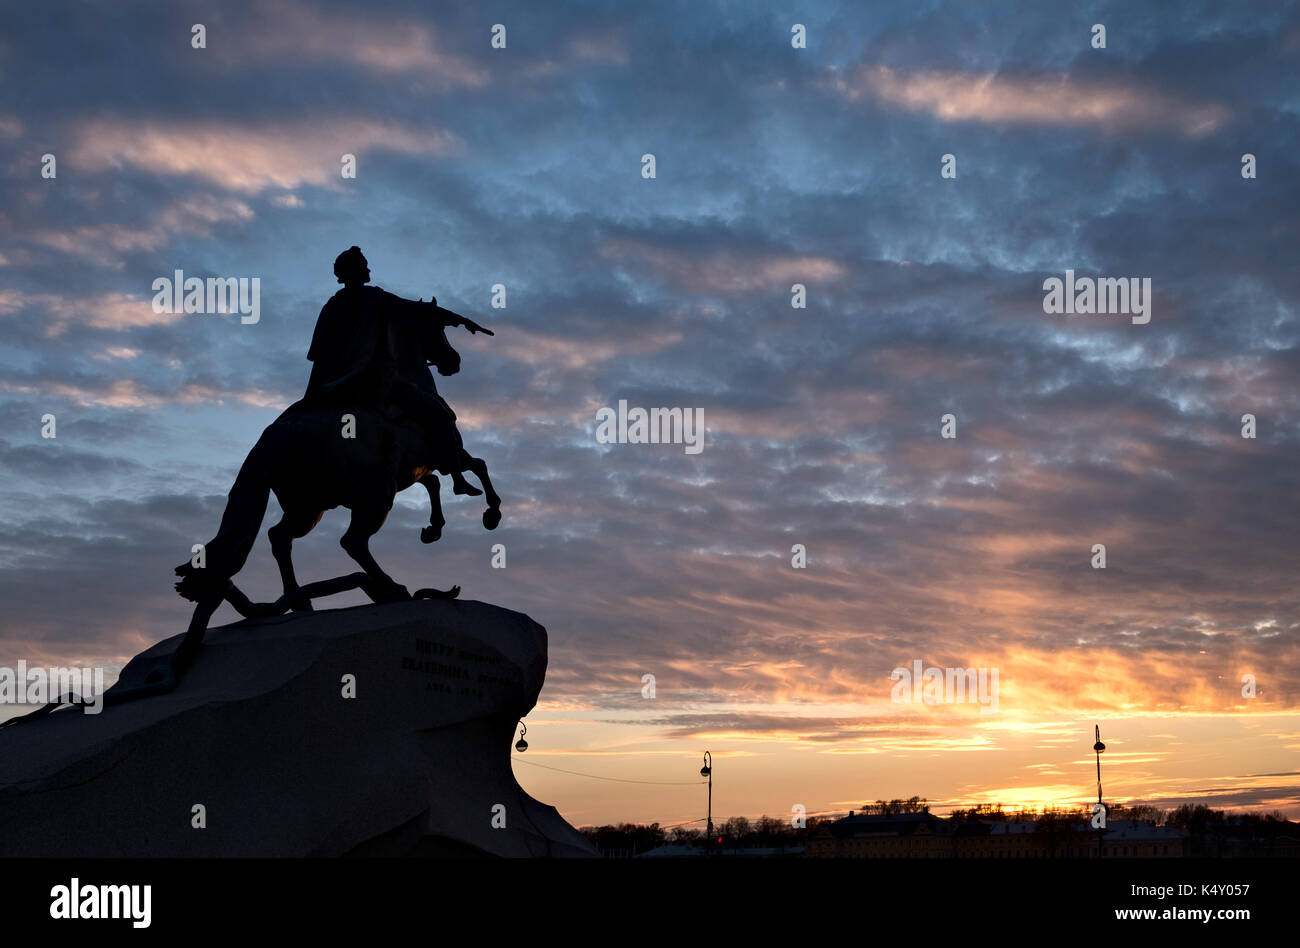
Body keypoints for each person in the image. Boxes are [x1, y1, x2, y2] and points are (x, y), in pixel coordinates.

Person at [304, 246, 492, 491]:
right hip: (372, 381)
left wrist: (311, 398)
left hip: (333, 388)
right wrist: (461, 320)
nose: (369, 268)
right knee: (438, 413)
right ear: (357, 271)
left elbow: (318, 356)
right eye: (365, 265)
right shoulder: (375, 298)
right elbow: (418, 309)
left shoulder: (330, 306)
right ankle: (457, 478)